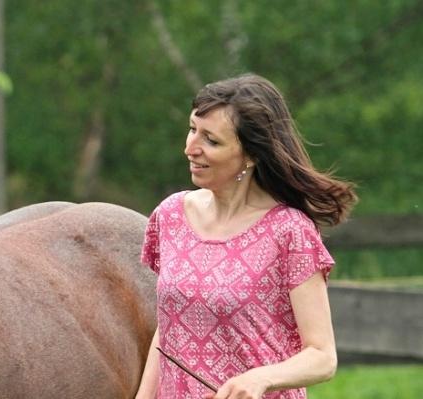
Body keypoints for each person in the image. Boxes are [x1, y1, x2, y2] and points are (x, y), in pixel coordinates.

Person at [135, 74, 357, 399]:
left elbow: (322, 357)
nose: (190, 148)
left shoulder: (290, 232)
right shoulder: (170, 217)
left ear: (251, 154)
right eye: (192, 129)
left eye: (211, 140)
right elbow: (169, 331)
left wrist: (260, 379)